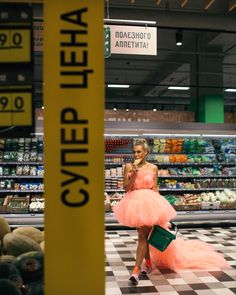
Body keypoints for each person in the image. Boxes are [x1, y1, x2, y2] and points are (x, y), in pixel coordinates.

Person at [113, 138, 230, 285]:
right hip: (134, 203)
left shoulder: (153, 168)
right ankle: (148, 263)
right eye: (134, 152)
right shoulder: (129, 167)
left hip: (149, 203)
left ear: (146, 152)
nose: (136, 154)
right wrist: (134, 174)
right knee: (142, 235)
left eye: (139, 152)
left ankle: (136, 270)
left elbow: (155, 188)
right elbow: (126, 188)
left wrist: (159, 210)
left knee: (143, 236)